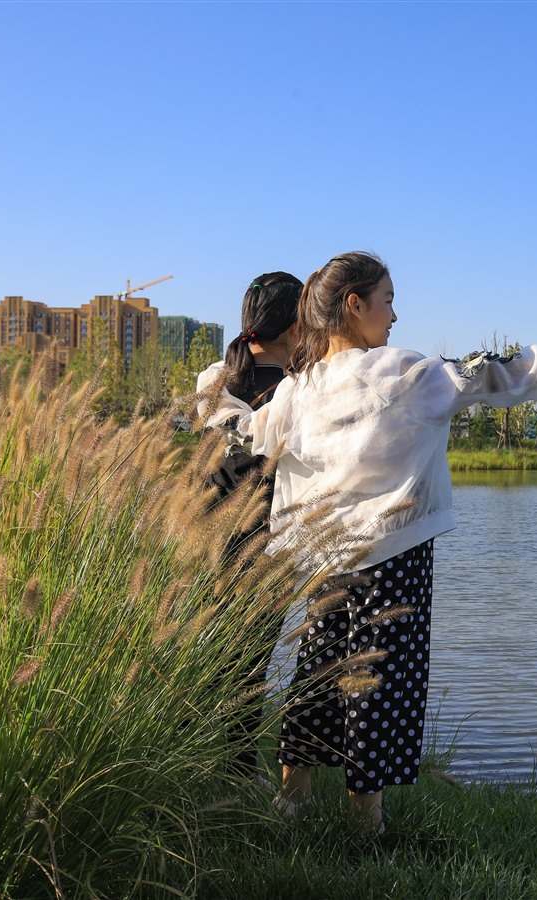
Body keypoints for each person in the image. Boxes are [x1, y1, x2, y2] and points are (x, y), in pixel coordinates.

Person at [209, 251, 537, 839]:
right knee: (380, 687)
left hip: (326, 560)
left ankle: (291, 800)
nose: (395, 315)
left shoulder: (299, 389)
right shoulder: (402, 372)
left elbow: (249, 431)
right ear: (354, 305)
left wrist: (213, 386)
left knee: (317, 676)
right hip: (394, 558)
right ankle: (366, 827)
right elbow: (489, 375)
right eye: (388, 301)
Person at [195, 271, 302, 778]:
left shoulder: (219, 378)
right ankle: (233, 771)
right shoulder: (299, 386)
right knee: (246, 655)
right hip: (258, 532)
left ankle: (217, 768)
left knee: (221, 649)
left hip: (218, 526)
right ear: (295, 324)